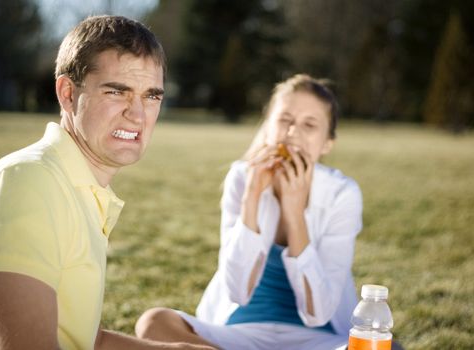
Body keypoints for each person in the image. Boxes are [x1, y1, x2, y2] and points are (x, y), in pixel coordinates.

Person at [0, 15, 213, 350]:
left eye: (152, 96)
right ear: (68, 94)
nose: (138, 114)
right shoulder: (28, 183)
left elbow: (86, 339)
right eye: (118, 92)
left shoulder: (79, 187)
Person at [135, 74, 363, 350]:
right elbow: (238, 292)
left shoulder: (342, 193)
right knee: (154, 323)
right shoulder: (242, 177)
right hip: (239, 334)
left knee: (386, 347)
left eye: (310, 125)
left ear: (327, 142)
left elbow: (319, 313)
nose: (293, 132)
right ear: (268, 127)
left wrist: (294, 212)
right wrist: (252, 197)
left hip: (319, 340)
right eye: (285, 120)